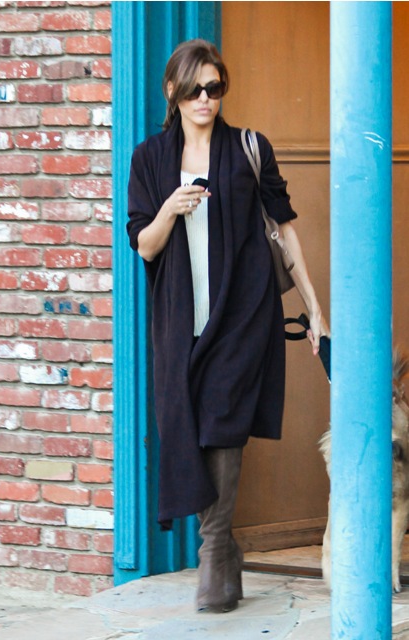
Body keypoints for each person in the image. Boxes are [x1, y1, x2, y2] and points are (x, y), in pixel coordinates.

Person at [127, 39, 329, 614]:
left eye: (214, 88)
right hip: (178, 322)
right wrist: (170, 209)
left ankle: (214, 550)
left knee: (221, 423)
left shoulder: (248, 149)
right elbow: (144, 246)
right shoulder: (149, 159)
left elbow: (284, 230)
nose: (205, 98)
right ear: (173, 91)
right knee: (187, 427)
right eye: (195, 88)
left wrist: (316, 311)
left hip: (241, 315)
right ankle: (227, 548)